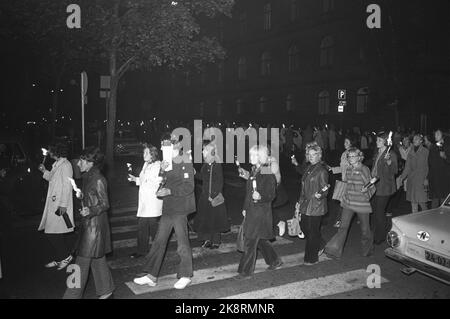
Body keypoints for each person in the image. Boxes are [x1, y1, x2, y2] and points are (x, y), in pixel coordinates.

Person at [133, 135, 196, 290]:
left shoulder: (185, 161)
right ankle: (151, 275)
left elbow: (189, 186)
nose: (162, 148)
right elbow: (162, 181)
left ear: (176, 146)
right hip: (168, 208)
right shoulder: (166, 162)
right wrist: (162, 171)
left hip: (180, 208)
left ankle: (186, 275)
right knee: (159, 241)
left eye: (165, 146)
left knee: (182, 242)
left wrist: (169, 190)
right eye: (162, 145)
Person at [63, 147, 114, 299]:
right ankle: (106, 291)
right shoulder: (88, 177)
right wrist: (82, 196)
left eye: (82, 160)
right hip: (90, 225)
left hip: (94, 228)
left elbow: (105, 204)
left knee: (79, 265)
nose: (78, 163)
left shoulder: (98, 179)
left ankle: (71, 296)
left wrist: (90, 210)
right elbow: (93, 198)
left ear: (91, 162)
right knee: (97, 260)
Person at [235, 145, 282, 279]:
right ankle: (274, 260)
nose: (250, 157)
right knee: (260, 239)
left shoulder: (267, 171)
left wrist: (261, 197)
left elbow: (271, 194)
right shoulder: (255, 170)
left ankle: (245, 271)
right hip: (252, 210)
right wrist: (245, 208)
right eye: (250, 154)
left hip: (260, 212)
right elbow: (249, 193)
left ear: (260, 157)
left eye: (253, 155)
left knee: (250, 240)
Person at [324, 147, 374, 259]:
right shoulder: (348, 169)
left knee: (365, 230)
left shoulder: (364, 169)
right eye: (349, 156)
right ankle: (334, 251)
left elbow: (371, 184)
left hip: (361, 203)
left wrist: (366, 189)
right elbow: (347, 184)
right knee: (342, 227)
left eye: (353, 156)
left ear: (359, 157)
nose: (350, 158)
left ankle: (368, 250)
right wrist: (342, 197)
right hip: (348, 202)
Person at [38, 143, 74, 270]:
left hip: (60, 204)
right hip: (54, 202)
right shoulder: (57, 164)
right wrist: (44, 171)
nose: (49, 152)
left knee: (52, 232)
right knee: (54, 232)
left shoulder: (66, 165)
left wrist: (63, 204)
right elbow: (52, 179)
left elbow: (67, 185)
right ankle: (61, 257)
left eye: (51, 150)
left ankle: (66, 256)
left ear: (57, 151)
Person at [295, 143, 329, 265]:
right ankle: (320, 243)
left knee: (312, 231)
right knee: (304, 227)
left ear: (319, 155)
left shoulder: (322, 170)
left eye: (314, 155)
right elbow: (303, 188)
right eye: (309, 155)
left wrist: (321, 195)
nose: (311, 157)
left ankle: (311, 258)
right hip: (305, 203)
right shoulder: (308, 168)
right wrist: (299, 202)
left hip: (316, 204)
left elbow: (325, 187)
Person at [128, 144, 163, 258]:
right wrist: (135, 179)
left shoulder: (158, 165)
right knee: (144, 226)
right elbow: (143, 179)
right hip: (145, 201)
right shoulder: (146, 164)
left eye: (147, 153)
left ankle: (156, 250)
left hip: (152, 201)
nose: (144, 155)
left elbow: (158, 181)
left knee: (151, 226)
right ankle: (144, 250)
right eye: (144, 153)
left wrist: (145, 181)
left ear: (153, 154)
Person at [194, 141, 229, 249]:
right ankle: (208, 239)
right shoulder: (206, 164)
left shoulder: (217, 165)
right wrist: (195, 174)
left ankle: (216, 241)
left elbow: (219, 182)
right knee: (206, 218)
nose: (202, 152)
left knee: (215, 219)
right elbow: (203, 178)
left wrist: (213, 195)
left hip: (213, 197)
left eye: (204, 150)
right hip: (205, 196)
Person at [371, 132, 398, 245]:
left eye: (379, 140)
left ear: (386, 142)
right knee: (376, 211)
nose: (376, 142)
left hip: (385, 187)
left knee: (379, 212)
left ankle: (380, 236)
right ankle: (379, 231)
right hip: (375, 185)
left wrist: (389, 162)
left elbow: (395, 170)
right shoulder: (378, 152)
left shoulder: (390, 154)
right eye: (377, 140)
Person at [331, 135, 357, 227]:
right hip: (344, 179)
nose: (344, 144)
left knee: (343, 201)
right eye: (344, 142)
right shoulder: (344, 153)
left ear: (351, 143)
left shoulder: (353, 154)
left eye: (347, 142)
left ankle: (339, 220)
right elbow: (343, 168)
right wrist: (332, 169)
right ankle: (360, 216)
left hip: (349, 180)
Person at [398, 134, 429, 213]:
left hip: (421, 180)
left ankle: (427, 219)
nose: (414, 140)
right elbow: (407, 167)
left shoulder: (425, 151)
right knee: (413, 202)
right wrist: (402, 177)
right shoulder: (411, 152)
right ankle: (415, 220)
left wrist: (426, 178)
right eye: (414, 139)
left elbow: (429, 166)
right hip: (412, 180)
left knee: (422, 202)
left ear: (421, 141)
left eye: (416, 139)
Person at [427, 129, 450, 208]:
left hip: (444, 179)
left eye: (438, 134)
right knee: (435, 201)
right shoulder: (433, 147)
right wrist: (428, 177)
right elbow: (429, 164)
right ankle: (433, 219)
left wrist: (445, 157)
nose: (435, 136)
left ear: (442, 136)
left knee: (443, 202)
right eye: (435, 134)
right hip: (434, 178)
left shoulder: (447, 147)